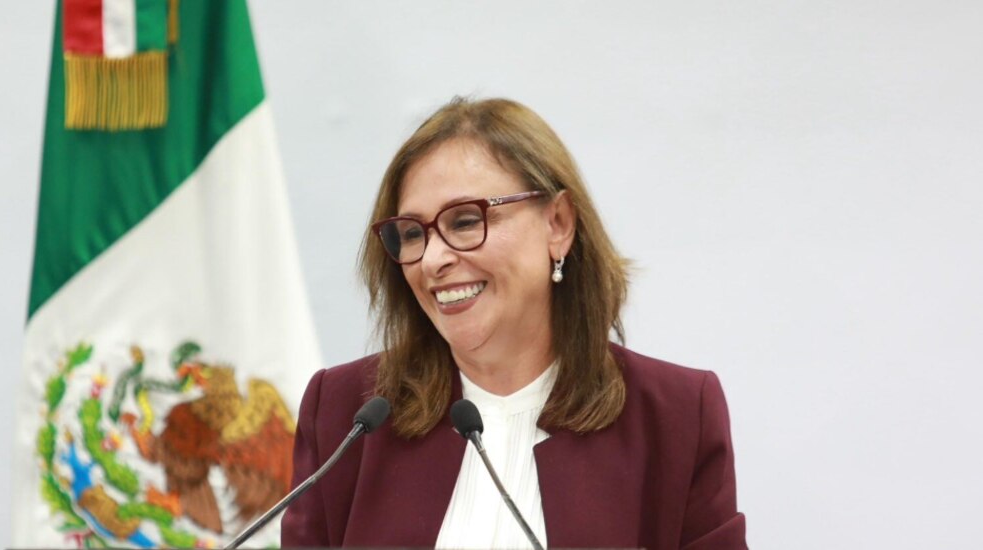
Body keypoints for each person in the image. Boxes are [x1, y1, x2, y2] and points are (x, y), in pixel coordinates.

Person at [280, 97, 746, 549]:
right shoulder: (346, 415)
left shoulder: (675, 417)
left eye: (464, 221)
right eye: (413, 233)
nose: (434, 260)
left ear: (558, 224)